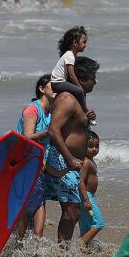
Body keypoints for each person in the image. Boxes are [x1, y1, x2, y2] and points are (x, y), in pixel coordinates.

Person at [47, 57, 100, 244]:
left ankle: (62, 249)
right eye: (93, 77)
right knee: (72, 209)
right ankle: (61, 252)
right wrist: (69, 158)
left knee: (74, 209)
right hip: (62, 159)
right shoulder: (68, 99)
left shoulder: (77, 100)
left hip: (70, 161)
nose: (95, 81)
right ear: (82, 77)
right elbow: (54, 130)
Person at [15, 75, 55, 239]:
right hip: (23, 161)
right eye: (53, 86)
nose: (57, 89)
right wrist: (48, 132)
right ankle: (20, 242)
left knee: (39, 200)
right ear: (41, 89)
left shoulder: (51, 112)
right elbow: (27, 137)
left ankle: (37, 241)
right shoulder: (33, 108)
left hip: (39, 162)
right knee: (27, 202)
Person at [50, 26, 94, 117]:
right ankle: (86, 111)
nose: (85, 45)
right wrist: (79, 87)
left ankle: (82, 110)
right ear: (75, 43)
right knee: (80, 91)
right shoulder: (69, 55)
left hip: (59, 82)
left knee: (79, 91)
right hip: (58, 82)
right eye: (84, 42)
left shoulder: (71, 55)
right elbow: (72, 75)